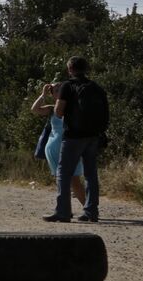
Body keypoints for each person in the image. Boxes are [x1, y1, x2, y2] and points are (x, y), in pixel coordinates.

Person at [44, 56, 109, 223]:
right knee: (90, 175)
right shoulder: (96, 88)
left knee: (63, 173)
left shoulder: (68, 85)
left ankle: (63, 212)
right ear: (86, 68)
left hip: (73, 136)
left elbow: (58, 112)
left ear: (70, 69)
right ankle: (91, 212)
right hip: (93, 136)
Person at [32, 82, 87, 212]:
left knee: (75, 180)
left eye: (61, 89)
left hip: (71, 147)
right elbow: (34, 109)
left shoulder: (74, 106)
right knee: (62, 180)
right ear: (53, 95)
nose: (60, 92)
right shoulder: (52, 109)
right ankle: (65, 209)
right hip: (54, 148)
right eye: (56, 90)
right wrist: (43, 95)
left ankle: (88, 208)